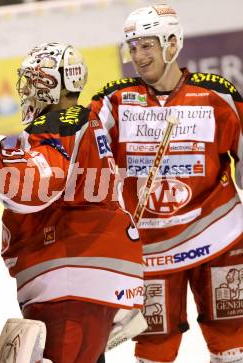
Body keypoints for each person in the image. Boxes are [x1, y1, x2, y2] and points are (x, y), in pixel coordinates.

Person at [0, 42, 144, 363]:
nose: (26, 91)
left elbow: (34, 186)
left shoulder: (60, 121)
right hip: (83, 273)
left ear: (54, 82)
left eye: (33, 81)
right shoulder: (78, 122)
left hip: (70, 274)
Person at [90, 4, 243, 363]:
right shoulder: (114, 100)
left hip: (217, 236)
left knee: (232, 340)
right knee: (155, 349)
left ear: (172, 44)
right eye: (133, 47)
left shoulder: (215, 95)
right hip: (151, 248)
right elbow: (77, 148)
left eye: (147, 45)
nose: (138, 56)